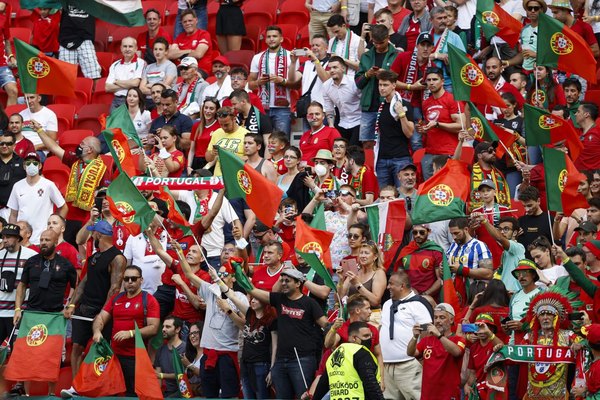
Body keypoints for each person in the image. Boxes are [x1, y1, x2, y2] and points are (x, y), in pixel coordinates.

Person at [60, 220, 126, 398]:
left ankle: (101, 386)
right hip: (84, 308)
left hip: (101, 310)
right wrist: (72, 304)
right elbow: (83, 282)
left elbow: (114, 289)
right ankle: (76, 387)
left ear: (98, 235)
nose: (92, 236)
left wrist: (103, 314)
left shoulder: (117, 258)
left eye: (93, 233)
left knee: (100, 350)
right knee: (76, 347)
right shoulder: (94, 257)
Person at [175, 241, 248, 399]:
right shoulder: (211, 290)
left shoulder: (239, 297)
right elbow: (189, 274)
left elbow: (244, 325)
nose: (220, 278)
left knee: (230, 396)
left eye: (224, 275)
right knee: (209, 396)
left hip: (227, 355)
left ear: (233, 279)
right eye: (219, 274)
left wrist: (228, 310)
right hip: (208, 354)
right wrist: (180, 252)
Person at [248, 267, 329, 399]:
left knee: (305, 397)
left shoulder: (310, 303)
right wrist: (238, 271)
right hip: (280, 360)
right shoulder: (278, 299)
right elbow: (252, 290)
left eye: (287, 281)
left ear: (298, 283)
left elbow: (325, 324)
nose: (283, 283)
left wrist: (334, 331)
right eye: (282, 280)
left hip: (303, 360)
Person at [13, 229, 76, 395]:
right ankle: (26, 394)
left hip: (54, 317)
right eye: (41, 240)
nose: (43, 243)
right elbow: (21, 286)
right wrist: (18, 309)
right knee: (28, 355)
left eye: (47, 240)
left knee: (51, 357)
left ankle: (50, 394)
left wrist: (70, 306)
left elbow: (78, 287)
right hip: (31, 315)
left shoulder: (65, 264)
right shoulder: (31, 262)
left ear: (55, 242)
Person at [33, 122, 112, 245]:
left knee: (83, 248)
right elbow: (54, 148)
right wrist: (39, 131)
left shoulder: (102, 170)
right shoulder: (75, 160)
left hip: (87, 217)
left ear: (89, 149)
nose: (78, 146)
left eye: (82, 144)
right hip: (69, 216)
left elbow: (104, 195)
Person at [92, 265, 161, 397]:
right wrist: (97, 331)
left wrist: (130, 333)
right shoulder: (116, 298)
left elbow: (153, 328)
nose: (129, 282)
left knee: (133, 395)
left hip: (135, 357)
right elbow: (100, 318)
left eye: (133, 279)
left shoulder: (149, 300)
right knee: (109, 393)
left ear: (141, 280)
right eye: (126, 279)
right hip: (114, 356)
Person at [379, 271, 433, 399]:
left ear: (402, 286)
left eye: (391, 284)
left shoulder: (418, 304)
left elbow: (427, 332)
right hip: (386, 365)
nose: (388, 287)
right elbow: (383, 327)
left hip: (409, 365)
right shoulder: (387, 304)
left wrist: (422, 359)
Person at [521, 290, 581, 399]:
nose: (545, 317)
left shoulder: (568, 335)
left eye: (549, 314)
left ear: (556, 317)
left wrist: (579, 345)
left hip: (559, 395)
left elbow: (584, 344)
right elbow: (515, 353)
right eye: (542, 314)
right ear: (537, 318)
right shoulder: (528, 337)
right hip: (533, 395)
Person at [407, 303, 467, 400]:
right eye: (435, 318)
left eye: (442, 317)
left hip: (448, 395)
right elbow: (410, 352)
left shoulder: (458, 339)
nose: (438, 321)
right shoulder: (427, 340)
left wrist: (439, 335)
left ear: (451, 320)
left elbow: (457, 352)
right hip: (428, 395)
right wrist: (415, 337)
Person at [314, 321, 385, 400]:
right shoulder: (361, 353)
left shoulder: (334, 355)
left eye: (370, 336)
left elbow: (322, 386)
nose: (370, 339)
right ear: (354, 338)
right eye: (366, 336)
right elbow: (371, 385)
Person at [7, 152, 67, 245]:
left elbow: (63, 207)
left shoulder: (48, 185)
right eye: (28, 163)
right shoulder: (17, 186)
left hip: (43, 239)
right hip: (23, 240)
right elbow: (13, 215)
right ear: (24, 166)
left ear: (40, 166)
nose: (31, 165)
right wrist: (13, 236)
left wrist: (55, 230)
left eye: (35, 163)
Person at [419, 67, 466, 179]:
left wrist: (438, 124)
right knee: (430, 191)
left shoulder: (452, 99)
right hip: (430, 152)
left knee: (447, 189)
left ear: (443, 81)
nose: (431, 83)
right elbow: (430, 127)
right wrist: (423, 130)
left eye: (435, 79)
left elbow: (461, 126)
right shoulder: (426, 103)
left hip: (448, 152)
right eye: (429, 80)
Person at [355, 24, 398, 148]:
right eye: (375, 42)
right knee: (367, 142)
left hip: (389, 105)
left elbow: (400, 80)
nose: (378, 45)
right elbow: (358, 83)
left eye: (381, 42)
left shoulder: (397, 55)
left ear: (388, 37)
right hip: (369, 106)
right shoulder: (366, 56)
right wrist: (367, 74)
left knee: (388, 140)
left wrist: (386, 74)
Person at [391, 32, 434, 152]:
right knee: (395, 138)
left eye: (428, 45)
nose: (425, 48)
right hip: (399, 103)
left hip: (418, 109)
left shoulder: (432, 66)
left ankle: (417, 169)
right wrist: (410, 87)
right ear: (416, 46)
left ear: (432, 48)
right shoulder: (403, 57)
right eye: (422, 45)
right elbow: (390, 81)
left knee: (416, 141)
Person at [249, 26, 295, 136]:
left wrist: (282, 81)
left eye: (275, 36)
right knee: (261, 143)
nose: (271, 39)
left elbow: (296, 85)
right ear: (265, 39)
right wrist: (258, 82)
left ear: (281, 39)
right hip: (262, 107)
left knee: (282, 142)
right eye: (268, 36)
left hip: (283, 108)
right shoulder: (257, 57)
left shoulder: (291, 56)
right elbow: (250, 84)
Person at [373, 69, 414, 188]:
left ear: (394, 85)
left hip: (401, 158)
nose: (382, 88)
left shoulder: (404, 105)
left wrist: (401, 114)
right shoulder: (380, 106)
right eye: (380, 85)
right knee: (384, 198)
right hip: (382, 159)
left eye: (385, 85)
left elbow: (409, 133)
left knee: (403, 196)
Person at [0, 224, 37, 345]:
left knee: (17, 347)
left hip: (19, 312)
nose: (5, 240)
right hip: (1, 310)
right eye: (3, 237)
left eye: (8, 237)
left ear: (17, 238)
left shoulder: (31, 256)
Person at [447, 217, 493, 306]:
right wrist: (443, 270)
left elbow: (488, 273)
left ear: (466, 229)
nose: (454, 237)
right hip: (454, 294)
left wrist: (462, 270)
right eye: (451, 234)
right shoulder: (452, 246)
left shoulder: (479, 246)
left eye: (457, 233)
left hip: (473, 294)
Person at [288, 35, 331, 131]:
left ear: (326, 48)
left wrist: (315, 60)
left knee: (322, 138)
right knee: (308, 138)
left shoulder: (330, 62)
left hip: (324, 109)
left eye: (317, 45)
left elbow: (325, 79)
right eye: (313, 45)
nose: (314, 48)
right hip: (308, 110)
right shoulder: (306, 64)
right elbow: (292, 79)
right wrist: (293, 62)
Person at [338, 242, 387, 325]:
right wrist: (341, 280)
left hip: (371, 318)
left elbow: (375, 301)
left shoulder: (379, 273)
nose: (363, 256)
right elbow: (340, 297)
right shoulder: (355, 271)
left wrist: (358, 284)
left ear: (375, 257)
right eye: (361, 253)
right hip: (353, 318)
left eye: (366, 253)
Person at [475, 215, 525, 293]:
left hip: (514, 294)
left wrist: (485, 221)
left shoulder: (518, 247)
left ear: (515, 233)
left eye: (506, 229)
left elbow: (499, 238)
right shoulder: (505, 251)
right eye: (500, 229)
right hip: (504, 294)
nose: (502, 232)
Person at [240, 297, 277, 400]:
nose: (252, 301)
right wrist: (218, 281)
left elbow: (275, 346)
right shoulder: (249, 314)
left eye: (257, 299)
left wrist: (272, 369)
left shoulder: (271, 319)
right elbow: (233, 297)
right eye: (252, 299)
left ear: (265, 302)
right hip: (245, 364)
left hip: (261, 365)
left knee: (262, 397)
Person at [462, 314, 505, 398]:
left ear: (492, 329)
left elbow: (502, 347)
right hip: (479, 389)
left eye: (484, 327)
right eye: (478, 328)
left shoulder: (495, 342)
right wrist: (467, 385)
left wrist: (489, 333)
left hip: (494, 388)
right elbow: (473, 373)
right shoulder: (474, 347)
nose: (482, 331)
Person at [322, 56, 361, 146]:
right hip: (342, 122)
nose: (331, 70)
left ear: (343, 68)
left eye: (335, 67)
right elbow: (329, 108)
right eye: (330, 68)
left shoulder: (353, 82)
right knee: (342, 151)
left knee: (354, 151)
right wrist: (331, 125)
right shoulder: (326, 86)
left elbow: (363, 101)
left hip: (359, 121)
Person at [58, 3, 101, 80]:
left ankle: (95, 92)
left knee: (94, 74)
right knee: (65, 76)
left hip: (85, 37)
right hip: (66, 38)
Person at [398, 224, 443, 296]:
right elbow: (400, 276)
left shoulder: (436, 252)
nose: (418, 235)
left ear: (429, 232)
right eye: (415, 232)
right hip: (407, 296)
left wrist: (424, 295)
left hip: (428, 298)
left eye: (422, 232)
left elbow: (440, 280)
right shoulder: (406, 251)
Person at [205, 106, 249, 176]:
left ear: (234, 119)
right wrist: (212, 153)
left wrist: (230, 157)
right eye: (221, 124)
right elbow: (208, 159)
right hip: (218, 178)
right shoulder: (217, 133)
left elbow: (251, 159)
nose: (223, 127)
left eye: (226, 124)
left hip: (237, 177)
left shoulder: (246, 134)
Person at [105, 37, 146, 112]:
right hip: (116, 101)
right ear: (121, 48)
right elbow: (107, 88)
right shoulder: (115, 65)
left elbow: (135, 83)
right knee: (114, 124)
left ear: (136, 48)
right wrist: (127, 84)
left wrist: (117, 81)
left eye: (130, 46)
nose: (127, 49)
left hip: (132, 101)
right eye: (125, 46)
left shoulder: (140, 63)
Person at [169, 9, 213, 75]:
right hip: (182, 70)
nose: (187, 23)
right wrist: (190, 51)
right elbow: (170, 54)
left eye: (190, 21)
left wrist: (180, 54)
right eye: (185, 22)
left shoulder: (203, 34)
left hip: (200, 70)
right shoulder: (180, 37)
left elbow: (198, 54)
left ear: (196, 20)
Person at [154, 316, 187, 397]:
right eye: (163, 327)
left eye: (168, 327)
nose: (163, 329)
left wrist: (162, 375)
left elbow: (183, 374)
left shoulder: (186, 348)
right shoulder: (160, 350)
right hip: (166, 393)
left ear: (177, 329)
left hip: (184, 392)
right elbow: (158, 377)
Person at [517, 186, 553, 258]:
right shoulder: (520, 221)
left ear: (538, 201)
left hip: (544, 264)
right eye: (524, 206)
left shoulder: (549, 219)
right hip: (525, 264)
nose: (527, 209)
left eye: (530, 205)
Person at [140, 37, 178, 103]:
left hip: (163, 101)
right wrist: (155, 92)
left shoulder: (171, 66)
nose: (157, 52)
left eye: (160, 49)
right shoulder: (148, 67)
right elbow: (141, 88)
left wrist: (149, 85)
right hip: (147, 101)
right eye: (155, 49)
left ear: (166, 51)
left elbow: (163, 88)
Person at [188, 97, 220, 171]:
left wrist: (207, 167)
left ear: (216, 110)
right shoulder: (196, 125)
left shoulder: (219, 126)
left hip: (210, 162)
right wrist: (189, 166)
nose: (208, 111)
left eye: (211, 109)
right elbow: (192, 149)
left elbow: (217, 152)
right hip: (196, 161)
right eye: (206, 108)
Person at [0, 133, 27, 221]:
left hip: (16, 211)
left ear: (14, 145)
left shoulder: (23, 163)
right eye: (2, 143)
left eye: (8, 143)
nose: (4, 146)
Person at [575, 102, 600, 171]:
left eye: (578, 111)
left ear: (586, 114)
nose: (575, 114)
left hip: (594, 178)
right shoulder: (577, 133)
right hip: (578, 177)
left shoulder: (598, 132)